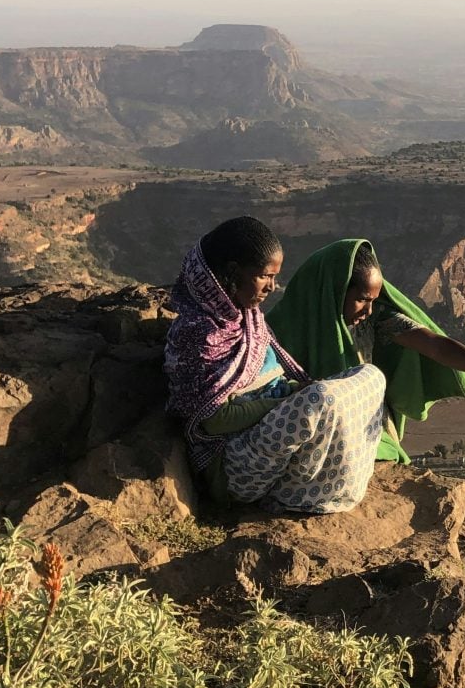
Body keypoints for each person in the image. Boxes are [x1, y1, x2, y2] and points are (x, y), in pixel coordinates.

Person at [164, 217, 387, 513]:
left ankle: (318, 480)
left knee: (372, 376)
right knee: (320, 400)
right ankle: (295, 494)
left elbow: (272, 379)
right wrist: (288, 400)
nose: (272, 286)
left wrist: (294, 391)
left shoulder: (247, 317)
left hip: (267, 437)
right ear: (232, 273)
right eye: (264, 276)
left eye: (274, 277)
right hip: (233, 463)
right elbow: (215, 420)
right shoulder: (199, 334)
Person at [267, 238, 465, 463]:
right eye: (362, 300)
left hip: (364, 430)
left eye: (374, 301)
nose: (369, 310)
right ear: (333, 290)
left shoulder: (377, 319)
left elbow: (434, 345)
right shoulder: (277, 329)